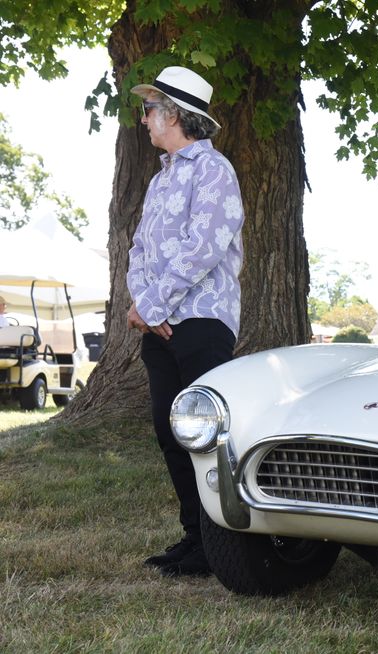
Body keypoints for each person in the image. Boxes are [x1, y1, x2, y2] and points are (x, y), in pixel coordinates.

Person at [127, 66, 245, 577]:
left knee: (206, 436)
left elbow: (205, 248)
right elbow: (137, 249)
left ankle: (226, 543)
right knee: (169, 432)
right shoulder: (160, 179)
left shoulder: (214, 170)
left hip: (200, 322)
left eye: (150, 108)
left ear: (174, 115)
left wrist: (153, 306)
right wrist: (144, 308)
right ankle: (196, 540)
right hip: (159, 327)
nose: (145, 117)